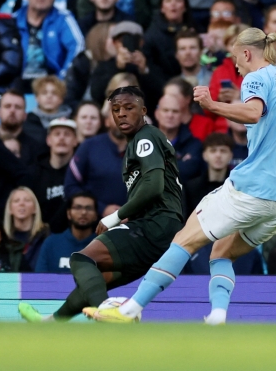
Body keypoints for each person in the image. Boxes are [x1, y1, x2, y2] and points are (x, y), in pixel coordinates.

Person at [89, 28, 276, 324]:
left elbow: (254, 113)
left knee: (184, 240)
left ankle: (129, 309)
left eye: (234, 58)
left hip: (254, 188)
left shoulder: (256, 78)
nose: (236, 66)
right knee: (222, 251)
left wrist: (213, 106)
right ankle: (217, 315)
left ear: (246, 53)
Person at [18, 85, 184, 322]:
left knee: (81, 259)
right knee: (94, 281)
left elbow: (153, 185)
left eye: (129, 108)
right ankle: (51, 323)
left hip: (154, 225)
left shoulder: (146, 136)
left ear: (144, 111)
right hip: (160, 230)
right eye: (116, 109)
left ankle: (109, 313)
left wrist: (115, 217)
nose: (122, 114)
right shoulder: (137, 144)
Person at [64, 98, 128, 214]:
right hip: (95, 224)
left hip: (137, 225)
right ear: (107, 121)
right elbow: (71, 186)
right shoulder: (89, 147)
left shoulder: (145, 149)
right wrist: (100, 208)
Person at [33, 117, 78, 234]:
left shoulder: (81, 172)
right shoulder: (35, 172)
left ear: (75, 140)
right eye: (57, 134)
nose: (62, 138)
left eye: (67, 134)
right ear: (48, 140)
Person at [34, 192, 97, 273]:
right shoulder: (51, 244)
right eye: (78, 207)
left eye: (88, 208)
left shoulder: (106, 246)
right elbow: (40, 280)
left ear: (95, 215)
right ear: (68, 213)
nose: (83, 212)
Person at [143, 0, 195, 78]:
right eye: (168, 0)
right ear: (162, 8)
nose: (173, 4)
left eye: (178, 0)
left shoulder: (195, 30)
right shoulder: (151, 36)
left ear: (185, 7)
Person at [155, 94, 204, 183]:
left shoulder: (194, 144)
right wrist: (179, 164)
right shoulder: (142, 141)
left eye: (175, 111)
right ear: (157, 114)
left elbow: (190, 171)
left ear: (182, 115)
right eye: (165, 110)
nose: (170, 115)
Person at [183, 132, 233, 219]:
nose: (218, 155)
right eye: (213, 151)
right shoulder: (191, 188)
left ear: (230, 156)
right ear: (205, 155)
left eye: (223, 151)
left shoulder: (237, 187)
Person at [4, 186, 49, 271]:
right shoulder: (3, 241)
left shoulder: (47, 238)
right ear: (10, 209)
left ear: (35, 208)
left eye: (27, 200)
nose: (21, 204)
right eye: (16, 201)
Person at [23, 75, 71, 141]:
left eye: (54, 93)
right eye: (44, 93)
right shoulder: (27, 121)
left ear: (61, 99)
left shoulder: (71, 121)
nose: (49, 96)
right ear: (37, 98)